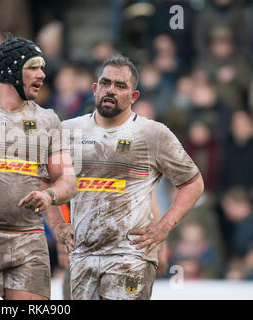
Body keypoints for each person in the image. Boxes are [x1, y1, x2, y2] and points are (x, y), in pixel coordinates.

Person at [62, 55, 204, 300]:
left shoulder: (153, 133)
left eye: (120, 86)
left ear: (133, 96)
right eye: (105, 83)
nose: (110, 90)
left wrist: (163, 229)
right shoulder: (67, 131)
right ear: (95, 88)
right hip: (82, 256)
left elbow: (193, 183)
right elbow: (44, 178)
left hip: (130, 257)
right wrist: (57, 225)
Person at [0, 36, 76, 300]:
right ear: (11, 69)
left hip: (28, 238)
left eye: (43, 67)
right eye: (34, 66)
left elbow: (68, 181)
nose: (42, 74)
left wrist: (48, 195)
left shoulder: (48, 119)